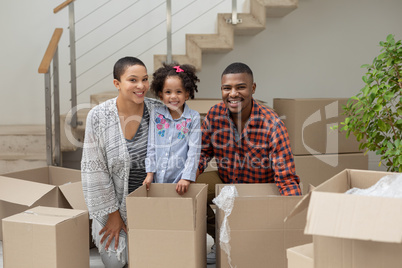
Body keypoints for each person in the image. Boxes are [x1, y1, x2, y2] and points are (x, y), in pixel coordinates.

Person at [196, 62, 302, 264]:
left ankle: (246, 240)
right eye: (227, 88)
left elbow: (286, 177)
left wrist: (295, 219)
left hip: (259, 190)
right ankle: (221, 237)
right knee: (190, 189)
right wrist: (187, 177)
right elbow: (202, 153)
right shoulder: (215, 114)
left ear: (253, 89)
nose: (233, 93)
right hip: (226, 181)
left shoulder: (272, 123)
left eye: (240, 87)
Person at [81, 56, 162, 268]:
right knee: (117, 262)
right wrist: (113, 216)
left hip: (151, 205)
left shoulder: (158, 111)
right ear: (117, 83)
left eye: (145, 79)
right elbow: (94, 170)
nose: (141, 86)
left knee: (157, 258)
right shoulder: (98, 116)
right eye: (133, 80)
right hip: (113, 207)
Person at [143, 63, 201, 194]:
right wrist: (150, 173)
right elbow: (151, 146)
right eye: (168, 92)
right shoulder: (156, 114)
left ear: (187, 94)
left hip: (181, 181)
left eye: (178, 92)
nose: (173, 96)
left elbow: (194, 151)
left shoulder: (193, 117)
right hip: (157, 180)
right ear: (161, 95)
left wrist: (186, 178)